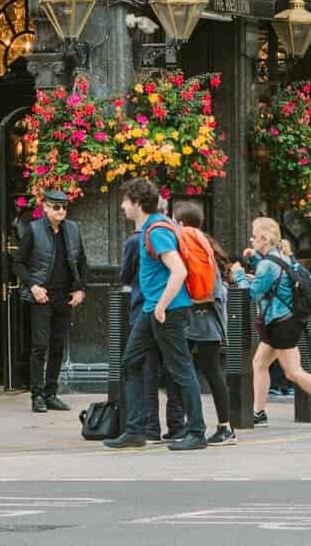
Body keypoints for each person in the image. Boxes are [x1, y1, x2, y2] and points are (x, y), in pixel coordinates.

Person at [106, 177, 205, 450]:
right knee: (131, 362)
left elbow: (179, 271)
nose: (123, 206)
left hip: (166, 310)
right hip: (153, 309)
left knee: (181, 369)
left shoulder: (156, 231)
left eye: (126, 201)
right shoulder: (152, 228)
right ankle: (136, 430)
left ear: (137, 203)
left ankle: (196, 432)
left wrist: (161, 305)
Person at [231, 215, 311, 434]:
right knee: (259, 363)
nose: (251, 239)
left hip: (281, 324)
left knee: (293, 372)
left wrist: (238, 274)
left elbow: (253, 293)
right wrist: (255, 258)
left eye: (254, 237)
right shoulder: (281, 255)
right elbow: (275, 275)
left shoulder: (267, 264)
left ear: (264, 238)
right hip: (284, 321)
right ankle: (259, 412)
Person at [13, 189, 90, 413]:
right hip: (42, 296)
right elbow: (18, 263)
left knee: (57, 347)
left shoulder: (73, 229)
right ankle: (36, 395)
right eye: (56, 207)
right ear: (45, 207)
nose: (61, 211)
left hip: (65, 297)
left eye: (64, 207)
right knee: (39, 347)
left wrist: (81, 289)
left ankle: (51, 393)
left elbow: (82, 262)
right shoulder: (34, 230)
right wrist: (33, 287)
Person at [176, 204, 239, 444]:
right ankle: (223, 426)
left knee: (189, 373)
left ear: (181, 223)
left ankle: (195, 425)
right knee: (212, 374)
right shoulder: (207, 245)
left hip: (194, 320)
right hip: (210, 321)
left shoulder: (188, 246)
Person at [117, 221, 181, 441]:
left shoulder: (135, 241)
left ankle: (150, 427)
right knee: (174, 369)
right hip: (172, 308)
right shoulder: (173, 236)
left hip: (143, 310)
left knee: (146, 370)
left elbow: (125, 275)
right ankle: (177, 425)